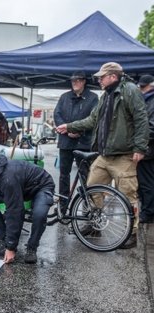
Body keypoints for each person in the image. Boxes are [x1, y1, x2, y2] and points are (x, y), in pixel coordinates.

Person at [57, 62, 149, 249]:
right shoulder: (105, 96)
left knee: (128, 195)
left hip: (124, 155)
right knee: (91, 189)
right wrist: (69, 126)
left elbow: (141, 119)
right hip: (104, 155)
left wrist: (140, 147)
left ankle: (131, 234)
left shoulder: (129, 91)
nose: (98, 80)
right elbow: (92, 120)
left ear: (113, 77)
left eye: (102, 77)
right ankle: (95, 225)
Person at [53, 71, 98, 210]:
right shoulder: (64, 97)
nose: (75, 83)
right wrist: (67, 130)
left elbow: (94, 119)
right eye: (73, 81)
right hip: (66, 142)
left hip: (83, 142)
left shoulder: (93, 98)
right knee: (63, 175)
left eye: (78, 80)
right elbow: (57, 115)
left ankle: (87, 205)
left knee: (85, 175)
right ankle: (63, 205)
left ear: (84, 81)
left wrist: (78, 131)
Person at [137, 74, 154, 224]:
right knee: (145, 182)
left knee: (147, 182)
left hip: (148, 149)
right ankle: (147, 211)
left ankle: (148, 213)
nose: (141, 89)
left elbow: (151, 128)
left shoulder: (151, 101)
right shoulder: (147, 100)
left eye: (143, 86)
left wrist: (140, 143)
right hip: (147, 148)